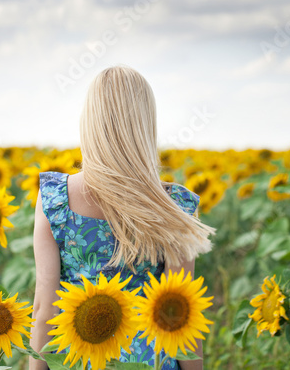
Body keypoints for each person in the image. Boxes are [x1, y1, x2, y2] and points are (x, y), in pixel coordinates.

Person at [29, 65, 216, 370]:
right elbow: (180, 315)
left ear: (89, 121)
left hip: (80, 357)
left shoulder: (55, 198)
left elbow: (44, 310)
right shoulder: (175, 205)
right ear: (145, 124)